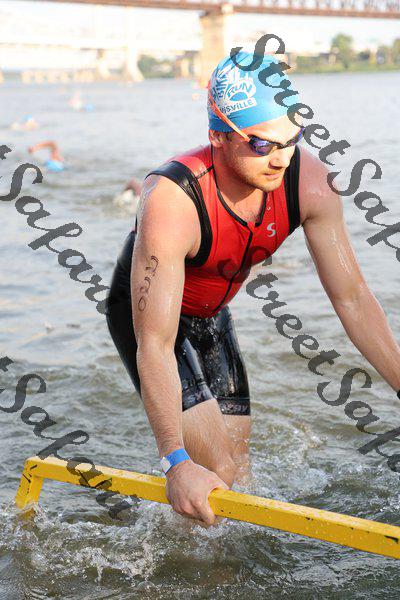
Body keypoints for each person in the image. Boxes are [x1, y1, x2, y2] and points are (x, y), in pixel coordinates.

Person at [105, 51, 400, 527]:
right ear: (218, 136)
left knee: (237, 477)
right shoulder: (173, 200)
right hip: (150, 315)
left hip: (212, 310)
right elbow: (155, 343)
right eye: (262, 144)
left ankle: (183, 541)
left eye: (292, 140)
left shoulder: (309, 183)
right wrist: (174, 461)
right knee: (212, 467)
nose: (280, 159)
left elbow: (352, 299)